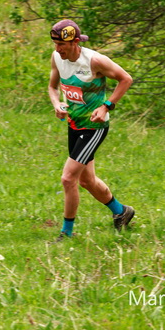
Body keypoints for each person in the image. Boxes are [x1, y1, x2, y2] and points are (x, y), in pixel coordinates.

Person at [48, 19, 135, 241]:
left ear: (75, 42)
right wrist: (57, 104)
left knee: (68, 179)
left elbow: (126, 79)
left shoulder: (95, 61)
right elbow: (52, 87)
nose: (57, 49)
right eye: (55, 44)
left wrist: (106, 106)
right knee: (87, 181)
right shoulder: (57, 57)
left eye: (62, 44)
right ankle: (121, 212)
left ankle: (66, 233)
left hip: (94, 127)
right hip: (74, 124)